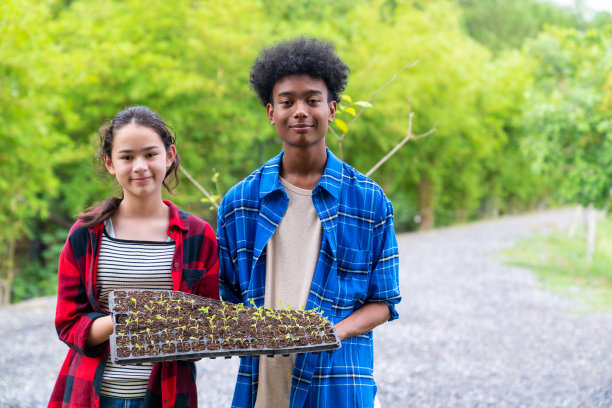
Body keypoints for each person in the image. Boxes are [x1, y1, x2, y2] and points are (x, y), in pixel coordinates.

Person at [217, 37, 401, 408]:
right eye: (287, 101)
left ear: (331, 109)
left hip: (339, 383)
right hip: (264, 386)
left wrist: (330, 334)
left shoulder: (368, 200)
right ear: (271, 112)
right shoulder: (240, 203)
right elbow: (226, 297)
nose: (300, 110)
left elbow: (384, 301)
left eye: (312, 100)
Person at [48, 106, 219, 408]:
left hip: (167, 395)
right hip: (93, 394)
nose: (139, 166)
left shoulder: (198, 235)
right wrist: (126, 319)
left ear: (169, 156)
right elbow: (68, 323)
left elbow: (208, 328)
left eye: (150, 154)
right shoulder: (86, 233)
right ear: (110, 163)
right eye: (127, 157)